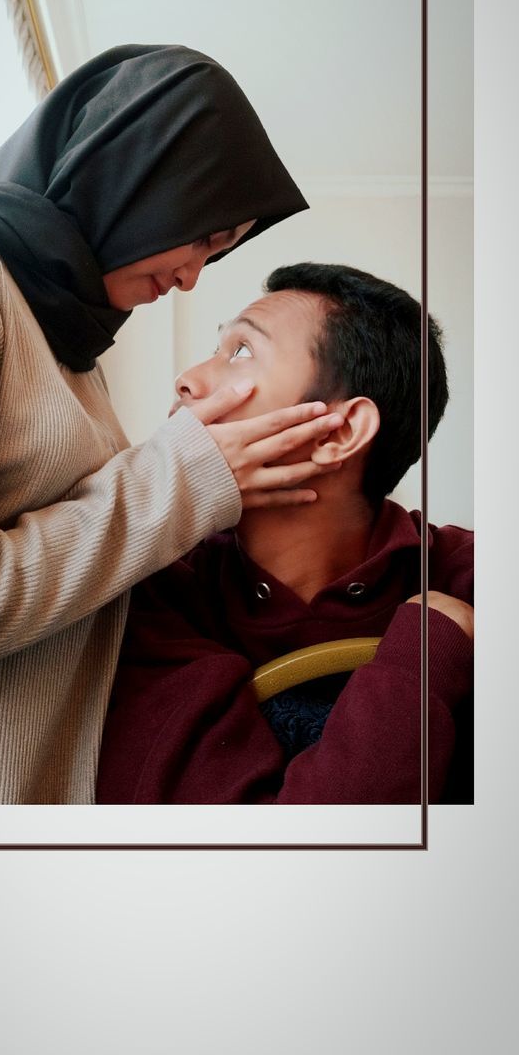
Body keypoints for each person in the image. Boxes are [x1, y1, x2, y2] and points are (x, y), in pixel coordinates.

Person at [0, 43, 341, 805]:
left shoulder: (74, 349)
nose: (192, 277)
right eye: (203, 235)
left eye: (222, 250)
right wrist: (182, 478)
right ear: (141, 175)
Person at [96, 263, 474, 805]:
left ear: (338, 433)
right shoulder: (157, 598)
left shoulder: (470, 571)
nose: (189, 378)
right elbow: (278, 863)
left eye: (242, 352)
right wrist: (429, 649)